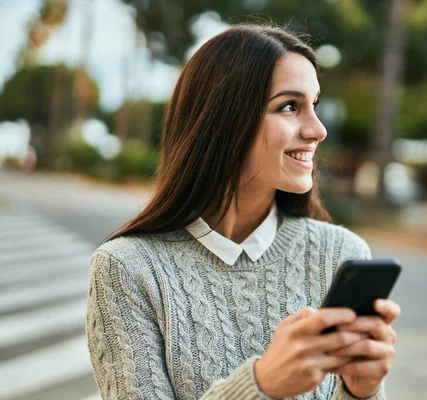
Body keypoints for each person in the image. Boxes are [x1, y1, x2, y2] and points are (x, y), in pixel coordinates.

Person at [86, 23, 401, 400]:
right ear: (225, 119)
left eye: (313, 106)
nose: (317, 130)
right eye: (289, 107)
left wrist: (361, 392)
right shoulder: (128, 270)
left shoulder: (341, 255)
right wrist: (260, 384)